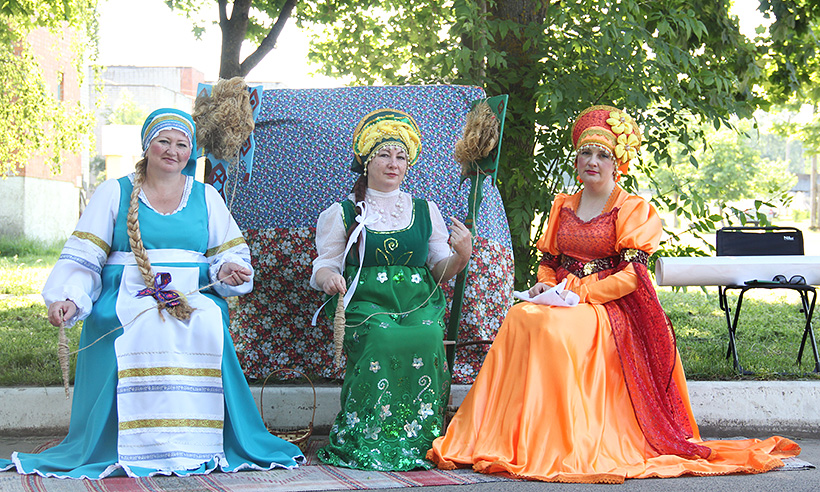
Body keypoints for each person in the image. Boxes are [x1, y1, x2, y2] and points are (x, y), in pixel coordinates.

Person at [427, 105, 801, 483]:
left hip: (607, 306)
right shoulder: (563, 205)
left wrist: (579, 292)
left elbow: (633, 276)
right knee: (521, 316)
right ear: (577, 160)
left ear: (616, 163)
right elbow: (549, 261)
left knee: (553, 329)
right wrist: (544, 284)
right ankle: (509, 437)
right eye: (586, 153)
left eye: (602, 155)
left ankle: (559, 442)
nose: (592, 161)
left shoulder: (631, 208)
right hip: (560, 298)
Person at [0, 108, 304, 479]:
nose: (173, 151)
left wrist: (227, 271)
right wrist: (69, 296)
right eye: (164, 141)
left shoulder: (206, 196)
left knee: (205, 320)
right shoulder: (114, 191)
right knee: (143, 325)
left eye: (182, 144)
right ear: (147, 146)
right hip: (126, 292)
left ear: (191, 152)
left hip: (192, 294)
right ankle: (134, 445)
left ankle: (195, 443)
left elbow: (229, 255)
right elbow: (86, 257)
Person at [311, 108, 472, 471]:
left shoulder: (425, 210)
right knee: (383, 338)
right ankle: (366, 435)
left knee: (429, 335)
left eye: (401, 157)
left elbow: (440, 270)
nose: (393, 163)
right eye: (384, 154)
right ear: (367, 161)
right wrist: (329, 279)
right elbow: (325, 264)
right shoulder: (343, 212)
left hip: (417, 304)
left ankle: (421, 437)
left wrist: (461, 255)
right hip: (365, 303)